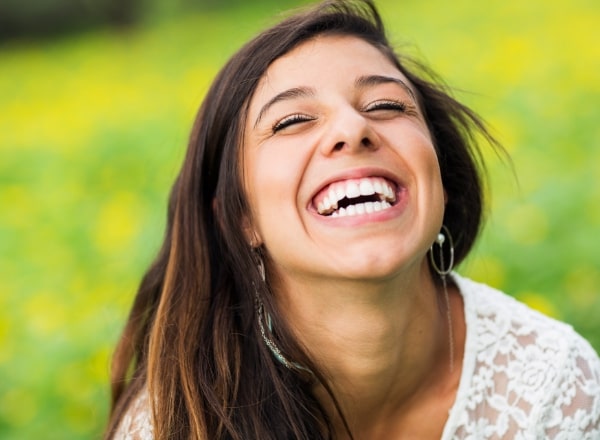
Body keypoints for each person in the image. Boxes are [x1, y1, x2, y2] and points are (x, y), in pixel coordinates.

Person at [105, 1, 600, 438]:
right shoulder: (175, 423)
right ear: (240, 219)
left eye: (386, 105)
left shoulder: (555, 385)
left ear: (441, 181)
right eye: (292, 120)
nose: (352, 128)